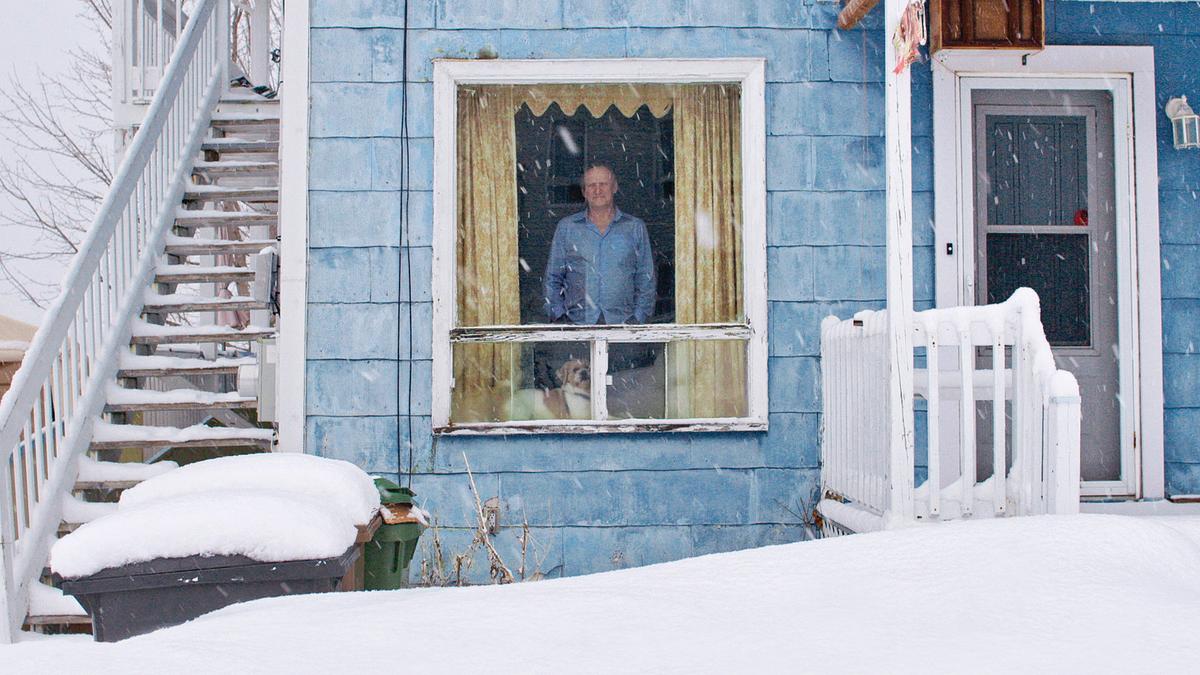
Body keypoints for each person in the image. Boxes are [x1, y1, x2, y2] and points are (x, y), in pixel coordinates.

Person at [542, 164, 656, 324]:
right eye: (591, 185)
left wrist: (638, 318)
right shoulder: (567, 228)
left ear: (614, 187)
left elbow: (646, 278)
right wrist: (559, 317)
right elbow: (553, 278)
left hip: (624, 326)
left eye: (603, 184)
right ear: (584, 192)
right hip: (576, 326)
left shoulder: (634, 227)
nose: (598, 190)